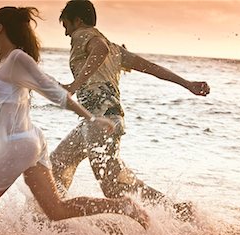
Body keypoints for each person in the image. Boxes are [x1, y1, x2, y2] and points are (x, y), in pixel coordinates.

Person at [0, 6, 149, 235]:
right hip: (27, 141)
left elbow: (52, 91)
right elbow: (50, 82)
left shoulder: (17, 59)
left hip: (18, 144)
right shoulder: (12, 60)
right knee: (56, 210)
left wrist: (91, 118)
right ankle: (123, 206)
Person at [50, 0, 210, 212]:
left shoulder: (84, 35)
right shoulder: (117, 50)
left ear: (78, 21)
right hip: (98, 120)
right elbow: (150, 67)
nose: (66, 34)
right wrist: (187, 84)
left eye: (66, 27)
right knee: (59, 161)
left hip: (101, 120)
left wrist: (74, 85)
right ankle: (50, 218)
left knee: (113, 186)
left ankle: (174, 211)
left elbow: (99, 48)